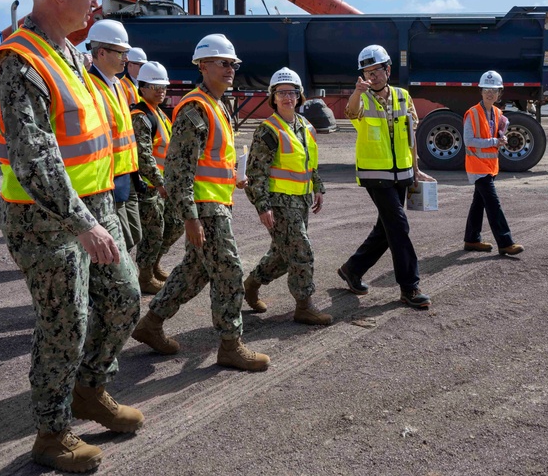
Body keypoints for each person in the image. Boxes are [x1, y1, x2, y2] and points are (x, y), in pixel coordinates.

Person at [0, 0, 142, 474]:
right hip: (44, 220)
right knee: (66, 322)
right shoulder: (20, 60)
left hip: (95, 208)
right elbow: (34, 160)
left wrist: (103, 210)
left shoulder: (72, 54)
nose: (98, 2)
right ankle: (52, 433)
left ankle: (90, 388)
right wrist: (82, 223)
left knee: (124, 298)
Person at [131, 33, 270, 371]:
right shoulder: (195, 108)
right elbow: (179, 170)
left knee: (195, 271)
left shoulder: (218, 105)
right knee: (229, 271)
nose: (231, 68)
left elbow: (212, 159)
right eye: (223, 62)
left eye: (233, 63)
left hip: (217, 202)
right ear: (203, 66)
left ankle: (150, 324)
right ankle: (230, 344)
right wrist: (190, 218)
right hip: (204, 207)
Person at [337, 45, 435, 309]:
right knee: (399, 226)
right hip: (375, 174)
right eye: (367, 72)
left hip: (402, 173)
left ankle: (352, 268)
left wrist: (415, 169)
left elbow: (411, 135)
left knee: (387, 228)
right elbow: (350, 112)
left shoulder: (403, 96)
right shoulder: (363, 98)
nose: (373, 76)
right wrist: (358, 92)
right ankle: (409, 287)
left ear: (387, 69)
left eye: (377, 70)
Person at [242, 67, 332, 325]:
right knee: (301, 251)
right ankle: (304, 306)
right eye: (281, 93)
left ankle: (251, 284)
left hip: (301, 201)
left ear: (299, 96)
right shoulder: (268, 130)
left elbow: (310, 163)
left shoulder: (304, 126)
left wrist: (318, 186)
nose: (287, 98)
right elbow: (255, 172)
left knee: (284, 254)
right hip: (279, 204)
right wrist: (262, 206)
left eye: (292, 92)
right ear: (273, 97)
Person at [85, 19, 142, 257]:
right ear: (101, 52)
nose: (125, 58)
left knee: (135, 234)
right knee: (121, 241)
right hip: (107, 179)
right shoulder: (89, 86)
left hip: (126, 174)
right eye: (121, 52)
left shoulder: (117, 84)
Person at [130, 61, 183, 293]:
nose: (161, 91)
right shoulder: (141, 117)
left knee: (175, 224)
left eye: (163, 87)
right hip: (148, 187)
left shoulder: (160, 113)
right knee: (153, 232)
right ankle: (145, 277)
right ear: (142, 87)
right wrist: (158, 182)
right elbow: (143, 156)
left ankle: (154, 264)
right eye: (155, 87)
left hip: (164, 184)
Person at [462, 71, 524, 256]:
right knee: (493, 204)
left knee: (478, 203)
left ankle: (471, 239)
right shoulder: (472, 113)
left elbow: (495, 134)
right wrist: (494, 142)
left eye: (494, 90)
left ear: (500, 93)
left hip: (490, 166)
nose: (490, 93)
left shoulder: (497, 113)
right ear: (481, 91)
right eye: (486, 89)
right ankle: (505, 242)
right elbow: (469, 141)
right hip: (477, 167)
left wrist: (501, 137)